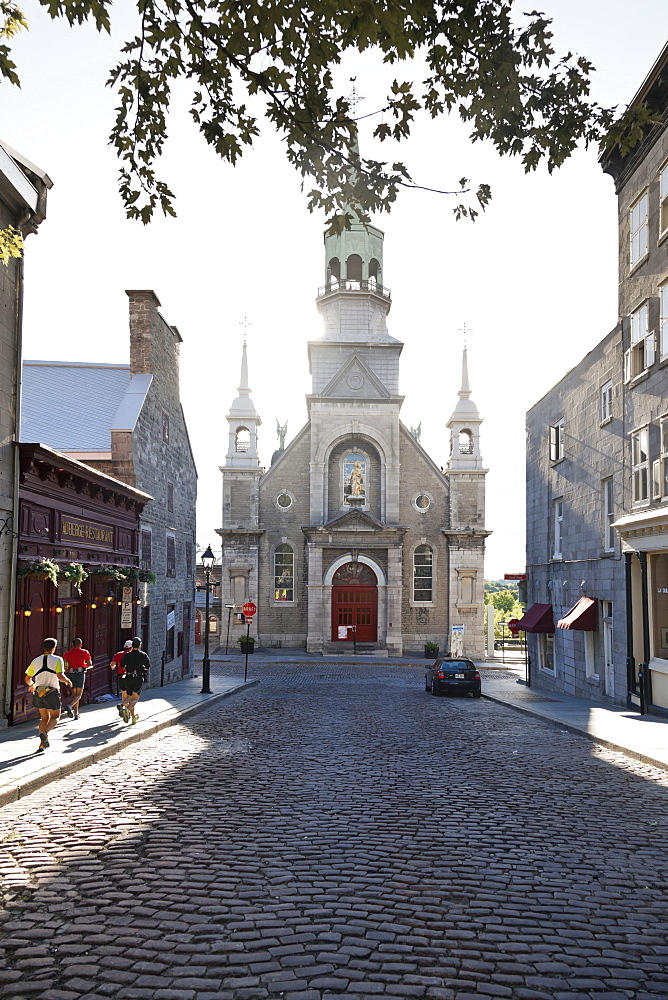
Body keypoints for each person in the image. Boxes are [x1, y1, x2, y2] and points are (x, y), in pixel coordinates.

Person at [24, 638, 73, 751]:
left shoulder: (35, 661)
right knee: (55, 717)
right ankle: (45, 734)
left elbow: (27, 678)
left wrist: (32, 685)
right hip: (52, 692)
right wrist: (68, 681)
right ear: (53, 648)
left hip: (39, 692)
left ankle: (42, 744)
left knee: (44, 718)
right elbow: (60, 675)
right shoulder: (57, 660)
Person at [120, 637, 150, 724]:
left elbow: (122, 664)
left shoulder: (127, 654)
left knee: (129, 696)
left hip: (128, 677)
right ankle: (127, 710)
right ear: (140, 645)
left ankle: (122, 706)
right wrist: (142, 668)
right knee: (135, 698)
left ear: (132, 645)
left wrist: (127, 669)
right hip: (138, 678)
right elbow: (147, 666)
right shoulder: (143, 655)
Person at [62, 638, 93, 719]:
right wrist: (83, 665)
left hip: (71, 674)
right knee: (79, 695)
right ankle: (70, 706)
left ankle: (76, 713)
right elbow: (90, 663)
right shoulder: (84, 652)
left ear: (72, 645)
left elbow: (64, 662)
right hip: (80, 673)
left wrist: (66, 667)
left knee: (74, 694)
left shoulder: (68, 653)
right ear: (81, 645)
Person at [110, 640, 133, 719]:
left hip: (121, 676)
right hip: (130, 676)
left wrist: (114, 667)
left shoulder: (119, 654)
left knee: (124, 694)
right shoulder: (133, 654)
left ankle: (125, 711)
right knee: (132, 695)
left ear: (124, 646)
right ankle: (127, 711)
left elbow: (112, 665)